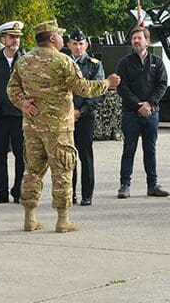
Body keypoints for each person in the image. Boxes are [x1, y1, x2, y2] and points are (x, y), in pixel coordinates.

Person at [7, 19, 120, 233]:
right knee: (62, 172)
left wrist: (23, 103)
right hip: (58, 128)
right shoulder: (62, 61)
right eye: (60, 35)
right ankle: (63, 219)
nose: (63, 39)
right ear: (52, 38)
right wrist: (108, 84)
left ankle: (30, 217)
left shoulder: (24, 61)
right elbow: (83, 88)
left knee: (31, 172)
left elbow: (11, 88)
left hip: (32, 127)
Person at [116, 26, 170, 199]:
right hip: (131, 114)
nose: (136, 41)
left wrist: (150, 104)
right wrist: (138, 105)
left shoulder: (157, 62)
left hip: (151, 113)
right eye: (134, 39)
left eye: (140, 38)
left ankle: (153, 185)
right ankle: (124, 185)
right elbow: (121, 87)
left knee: (150, 150)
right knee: (129, 148)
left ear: (147, 41)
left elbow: (162, 85)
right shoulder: (124, 62)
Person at [0, 21, 26, 205]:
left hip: (20, 115)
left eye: (17, 37)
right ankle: (1, 192)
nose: (15, 40)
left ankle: (19, 191)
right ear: (3, 39)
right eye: (11, 37)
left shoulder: (26, 60)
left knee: (21, 156)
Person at [67, 29, 105, 206]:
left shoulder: (94, 65)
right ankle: (70, 193)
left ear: (86, 45)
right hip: (65, 117)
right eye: (74, 44)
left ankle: (87, 194)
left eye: (81, 44)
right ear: (69, 45)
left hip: (84, 116)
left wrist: (80, 112)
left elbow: (98, 92)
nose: (78, 47)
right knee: (68, 156)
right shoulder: (64, 63)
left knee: (85, 156)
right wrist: (68, 112)